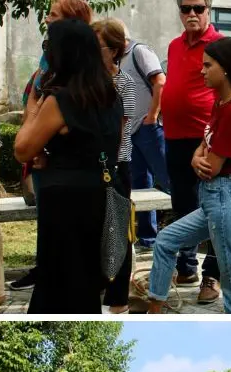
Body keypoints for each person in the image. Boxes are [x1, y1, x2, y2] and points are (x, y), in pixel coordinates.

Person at [13, 18, 123, 313]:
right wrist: (57, 155)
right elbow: (102, 147)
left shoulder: (61, 99)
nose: (47, 53)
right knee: (85, 283)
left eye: (49, 46)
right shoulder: (111, 95)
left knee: (56, 283)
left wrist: (32, 108)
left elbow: (22, 149)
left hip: (64, 204)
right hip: (100, 197)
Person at [146, 36, 231, 314]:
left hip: (226, 200)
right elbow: (203, 149)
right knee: (166, 241)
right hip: (212, 203)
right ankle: (155, 308)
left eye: (208, 66)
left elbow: (211, 166)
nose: (202, 71)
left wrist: (199, 158)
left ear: (226, 69)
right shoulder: (219, 105)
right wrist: (197, 156)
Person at [6, 0, 94, 294]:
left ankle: (51, 274)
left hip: (64, 175)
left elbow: (22, 146)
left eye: (53, 15)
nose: (46, 18)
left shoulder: (74, 85)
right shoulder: (53, 58)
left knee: (62, 243)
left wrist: (34, 112)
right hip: (53, 165)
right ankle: (46, 269)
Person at [162, 0, 225, 305]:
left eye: (198, 8)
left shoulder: (221, 44)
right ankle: (186, 268)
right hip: (174, 137)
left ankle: (212, 275)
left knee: (214, 210)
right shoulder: (174, 46)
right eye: (185, 8)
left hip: (207, 141)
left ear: (208, 11)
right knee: (183, 206)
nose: (191, 14)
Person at [93, 18, 138, 314]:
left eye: (98, 46)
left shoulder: (125, 84)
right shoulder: (84, 80)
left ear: (115, 50)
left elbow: (121, 131)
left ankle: (119, 298)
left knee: (118, 233)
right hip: (87, 168)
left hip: (116, 166)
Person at [118, 21, 168, 251]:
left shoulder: (139, 51)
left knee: (167, 180)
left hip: (148, 128)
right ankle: (148, 239)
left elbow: (160, 81)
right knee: (140, 184)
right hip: (132, 131)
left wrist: (152, 115)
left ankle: (183, 236)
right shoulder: (119, 58)